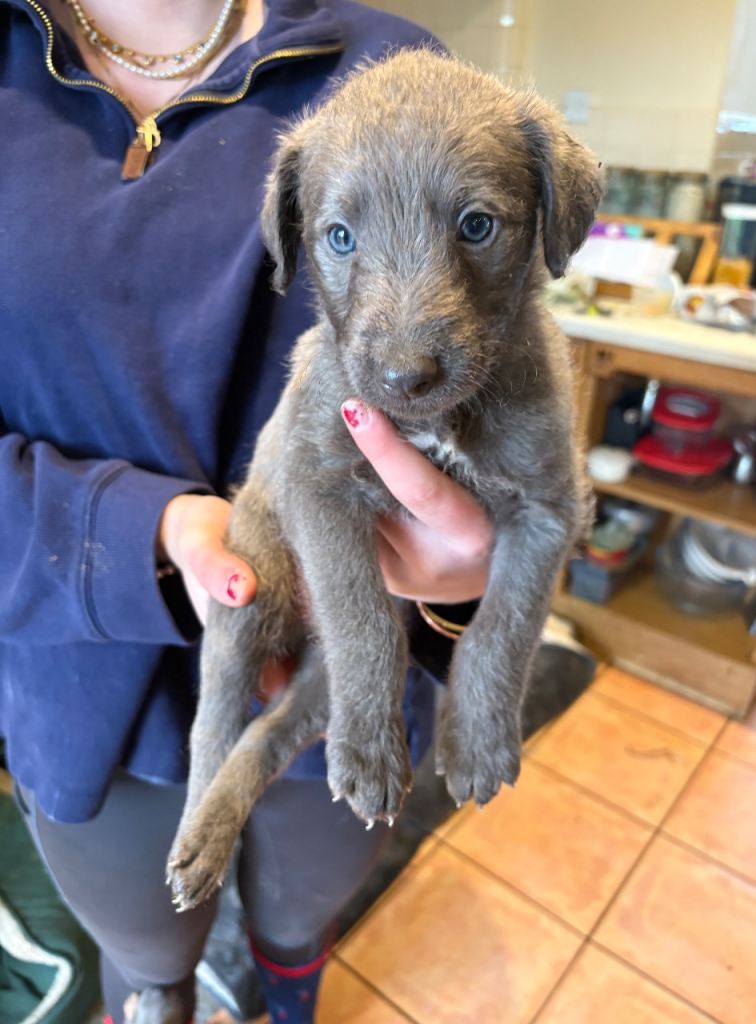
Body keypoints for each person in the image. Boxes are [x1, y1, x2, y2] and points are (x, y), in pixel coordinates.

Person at [0, 1, 492, 1021]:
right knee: (150, 957)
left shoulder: (391, 67)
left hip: (340, 671)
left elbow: (488, 402)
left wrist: (463, 586)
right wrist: (146, 530)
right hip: (79, 678)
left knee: (299, 921)